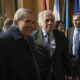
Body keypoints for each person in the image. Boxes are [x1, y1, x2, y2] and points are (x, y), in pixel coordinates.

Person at [0, 8, 40, 80]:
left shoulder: (29, 38)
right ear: (16, 22)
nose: (32, 26)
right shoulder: (3, 40)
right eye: (27, 21)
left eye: (33, 22)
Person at [31, 10, 72, 80]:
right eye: (47, 20)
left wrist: (69, 74)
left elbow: (66, 56)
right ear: (40, 23)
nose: (50, 23)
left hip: (58, 74)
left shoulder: (61, 36)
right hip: (41, 75)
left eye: (52, 20)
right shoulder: (33, 36)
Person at [68, 13, 80, 80]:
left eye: (77, 20)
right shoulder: (70, 30)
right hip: (71, 59)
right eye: (73, 20)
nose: (75, 22)